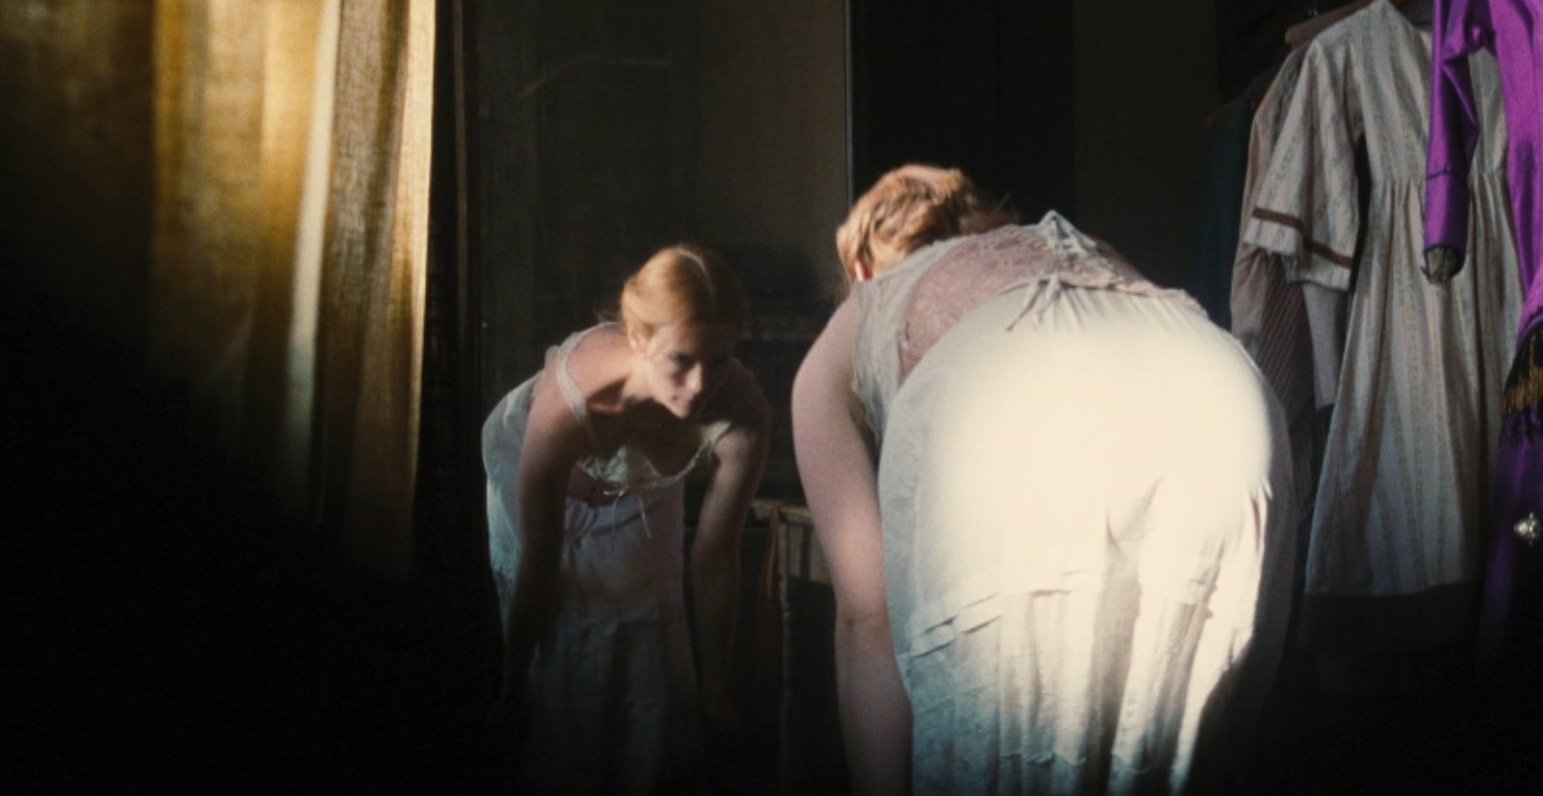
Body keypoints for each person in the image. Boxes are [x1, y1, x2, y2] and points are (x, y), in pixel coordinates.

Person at [792, 164, 1299, 795]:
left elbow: (868, 617)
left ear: (861, 266)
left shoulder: (867, 305)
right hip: (1218, 389)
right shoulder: (1076, 247)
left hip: (1024, 397)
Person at [483, 244, 770, 794]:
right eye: (681, 360)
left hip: (643, 483)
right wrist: (511, 683)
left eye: (718, 361)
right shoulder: (573, 401)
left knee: (650, 622)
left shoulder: (742, 414)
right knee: (568, 627)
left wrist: (716, 692)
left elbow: (714, 560)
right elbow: (540, 561)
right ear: (638, 337)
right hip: (535, 464)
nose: (700, 387)